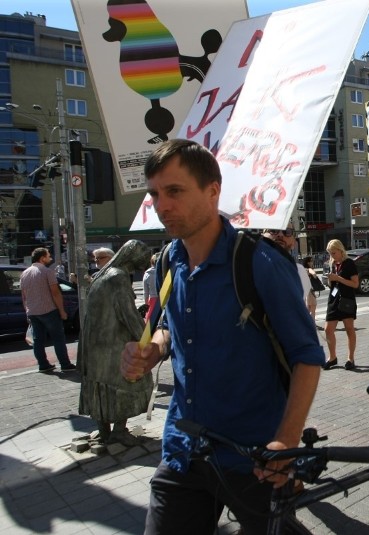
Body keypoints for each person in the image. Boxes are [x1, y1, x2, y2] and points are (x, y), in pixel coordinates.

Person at [119, 139, 324, 534]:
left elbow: (307, 356)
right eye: (155, 194)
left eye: (174, 191)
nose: (161, 205)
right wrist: (154, 350)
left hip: (254, 459)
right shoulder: (167, 261)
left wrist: (285, 441)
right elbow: (169, 330)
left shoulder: (258, 261)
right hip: (183, 452)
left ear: (213, 190)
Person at [79, 240, 152, 446]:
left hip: (95, 344)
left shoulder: (103, 274)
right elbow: (127, 315)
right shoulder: (118, 277)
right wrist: (146, 340)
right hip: (114, 344)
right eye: (143, 256)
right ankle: (119, 430)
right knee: (131, 382)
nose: (145, 260)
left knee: (100, 386)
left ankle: (103, 432)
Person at [20, 247, 75, 373]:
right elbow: (55, 293)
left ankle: (43, 365)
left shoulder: (24, 273)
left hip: (33, 311)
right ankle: (65, 364)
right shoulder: (47, 272)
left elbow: (24, 296)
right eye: (48, 256)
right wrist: (62, 311)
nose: (50, 258)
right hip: (49, 310)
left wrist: (27, 311)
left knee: (38, 340)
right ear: (42, 258)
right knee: (58, 338)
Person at [323, 239, 358, 370]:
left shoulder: (349, 263)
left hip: (347, 299)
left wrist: (338, 278)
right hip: (334, 299)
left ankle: (351, 358)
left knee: (349, 329)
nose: (332, 255)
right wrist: (329, 280)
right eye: (330, 253)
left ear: (340, 250)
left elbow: (355, 284)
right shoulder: (332, 263)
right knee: (328, 329)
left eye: (334, 253)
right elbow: (333, 283)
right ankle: (332, 357)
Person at [302, 257, 320, 325]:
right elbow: (314, 274)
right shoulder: (309, 269)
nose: (312, 262)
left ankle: (306, 323)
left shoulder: (304, 270)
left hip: (306, 291)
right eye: (311, 261)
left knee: (308, 308)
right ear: (308, 262)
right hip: (311, 291)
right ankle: (312, 324)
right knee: (313, 308)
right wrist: (315, 276)